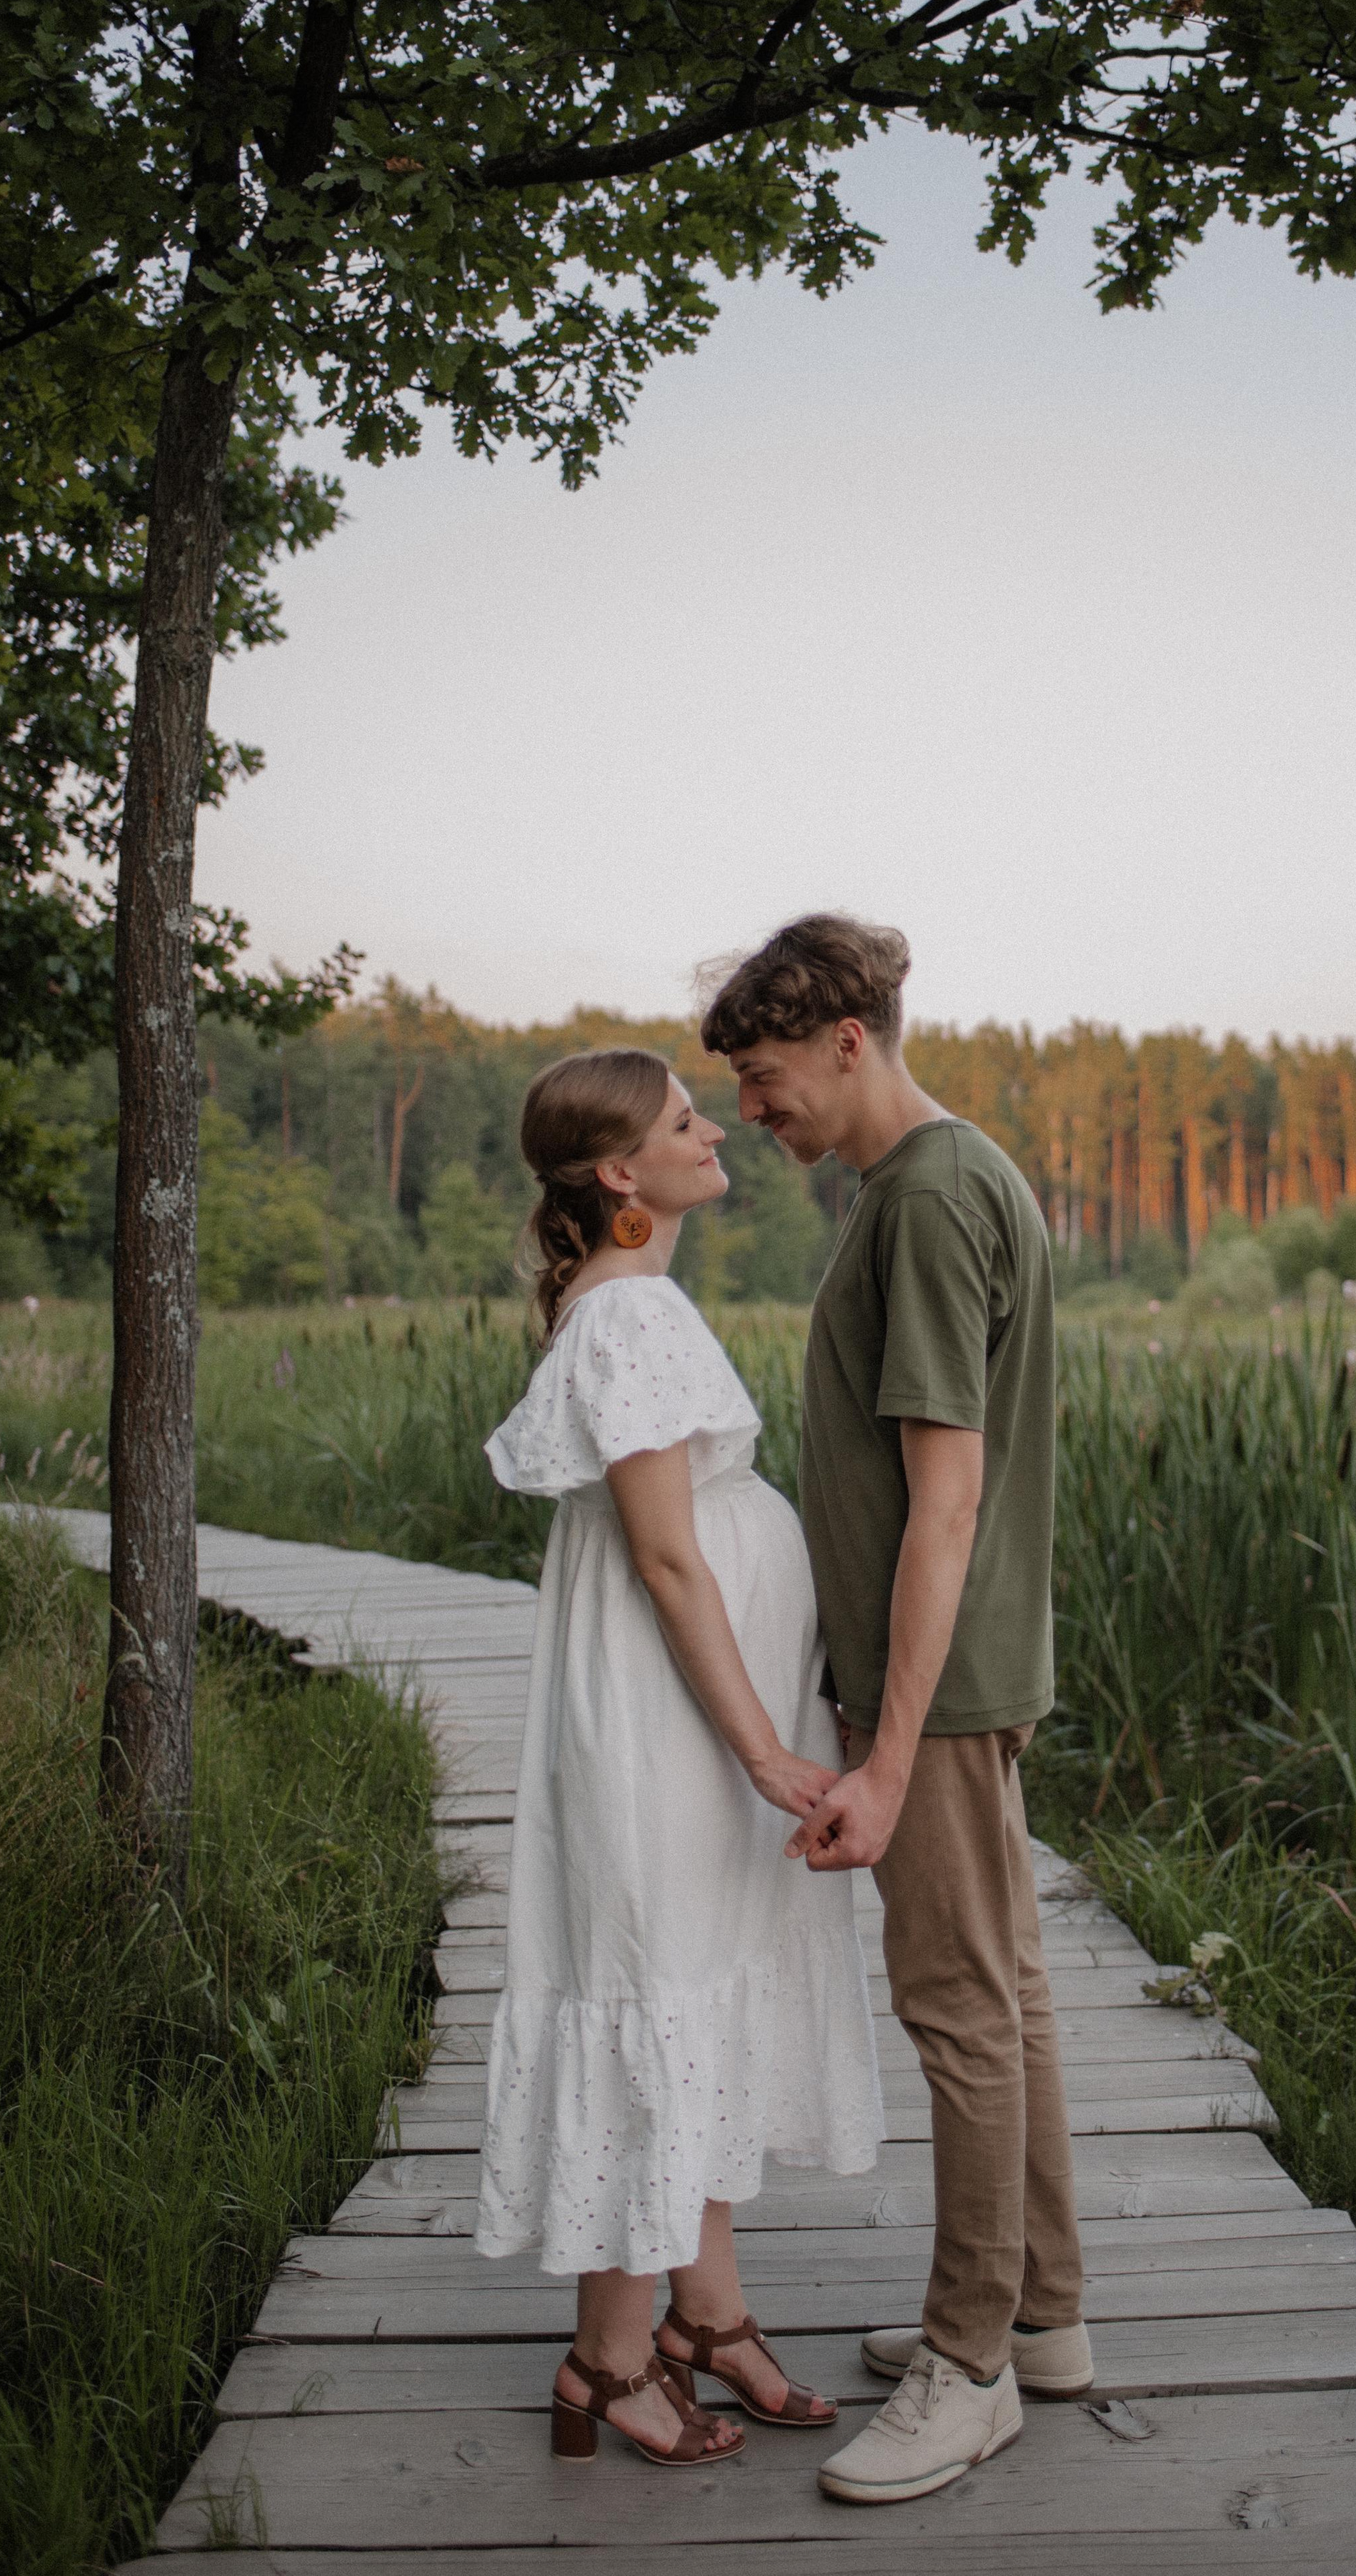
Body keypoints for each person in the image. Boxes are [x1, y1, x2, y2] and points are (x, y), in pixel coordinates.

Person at [700, 916, 1090, 2508]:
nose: (748, 1110)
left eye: (767, 1074)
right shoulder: (938, 1178)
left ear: (849, 1039)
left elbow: (944, 1506)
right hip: (965, 1674)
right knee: (1005, 1992)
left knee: (957, 2012)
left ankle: (969, 2366)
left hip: (935, 1689)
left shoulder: (927, 1201)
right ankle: (1041, 2318)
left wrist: (881, 1749)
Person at [474, 1047, 882, 2470]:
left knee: (695, 1984)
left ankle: (704, 2313)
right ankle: (604, 2358)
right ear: (616, 1174)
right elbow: (664, 1556)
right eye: (681, 1124)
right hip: (671, 1716)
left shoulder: (632, 1303)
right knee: (654, 1980)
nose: (713, 1134)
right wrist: (767, 1749)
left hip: (679, 1704)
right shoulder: (629, 1323)